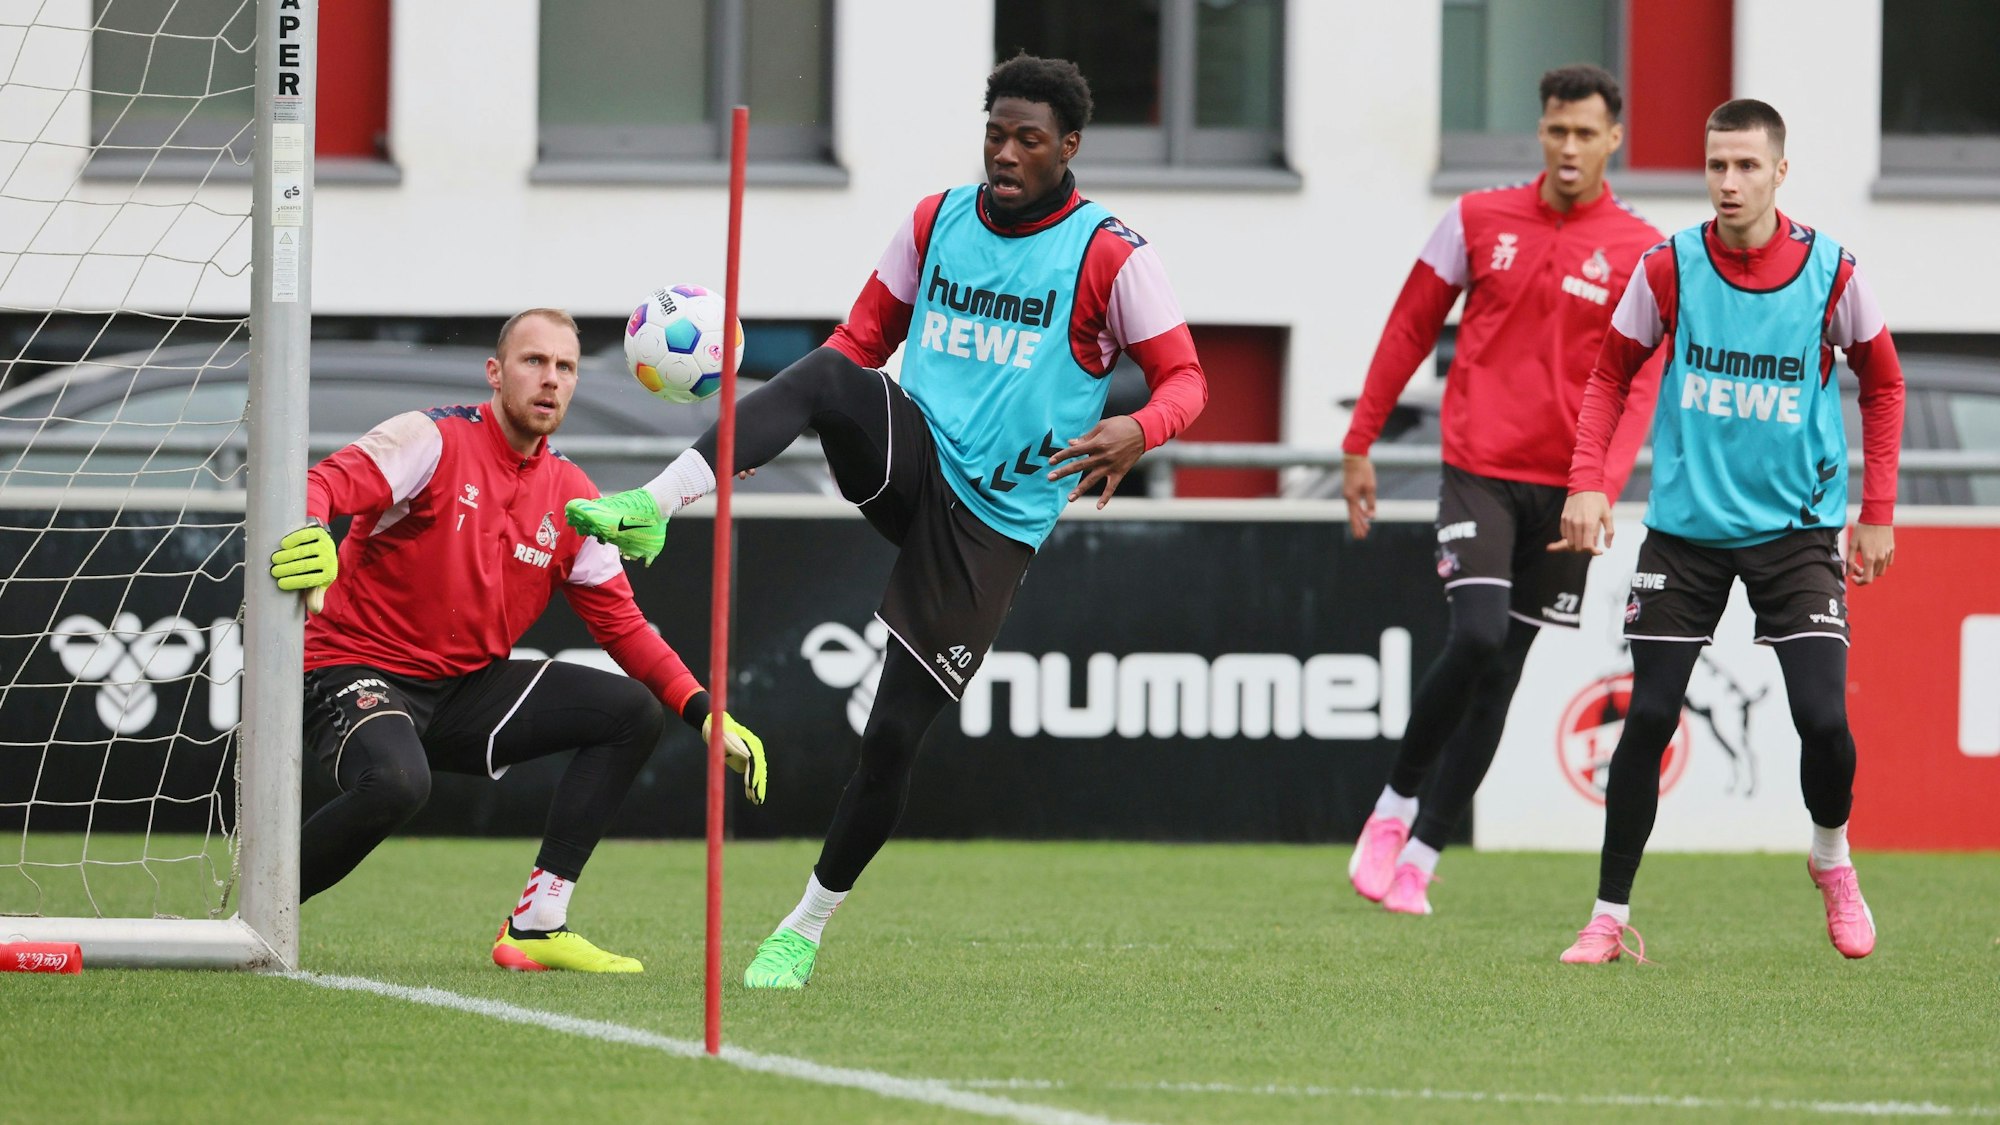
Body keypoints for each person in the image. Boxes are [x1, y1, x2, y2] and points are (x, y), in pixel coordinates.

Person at [565, 55, 1207, 989]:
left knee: (893, 737)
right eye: (995, 135)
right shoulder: (934, 219)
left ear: (1069, 147)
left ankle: (803, 927)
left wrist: (1139, 429)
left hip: (994, 523)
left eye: (1028, 140)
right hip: (918, 455)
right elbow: (859, 341)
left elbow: (1187, 380)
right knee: (829, 374)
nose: (1005, 154)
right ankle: (655, 503)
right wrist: (796, 414)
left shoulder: (1110, 254)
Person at [266, 308, 768, 973]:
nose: (550, 378)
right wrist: (309, 527)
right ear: (495, 373)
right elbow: (323, 481)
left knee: (631, 712)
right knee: (397, 783)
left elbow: (622, 625)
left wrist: (703, 711)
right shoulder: (431, 438)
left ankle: (537, 924)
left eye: (565, 367)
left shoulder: (573, 494)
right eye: (534, 361)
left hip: (463, 688)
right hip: (352, 665)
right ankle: (259, 914)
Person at [1553, 99, 1904, 962]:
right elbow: (1609, 376)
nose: (1730, 182)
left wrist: (1877, 513)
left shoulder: (1833, 273)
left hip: (1797, 530)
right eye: (1717, 165)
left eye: (1747, 166)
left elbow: (1885, 385)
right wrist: (1587, 483)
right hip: (1687, 533)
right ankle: (1607, 916)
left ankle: (1832, 858)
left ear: (1780, 172)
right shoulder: (1667, 267)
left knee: (1823, 720)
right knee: (1649, 715)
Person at [1340, 65, 1664, 915]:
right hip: (1479, 467)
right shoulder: (1476, 218)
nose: (1569, 147)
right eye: (1557, 130)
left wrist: (1600, 487)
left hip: (1567, 492)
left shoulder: (1642, 251)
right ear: (1541, 131)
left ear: (1613, 139)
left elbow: (1643, 384)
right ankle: (1393, 807)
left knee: (1504, 673)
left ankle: (1422, 857)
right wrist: (1359, 440)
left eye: (1585, 133)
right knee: (1477, 635)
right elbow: (1409, 325)